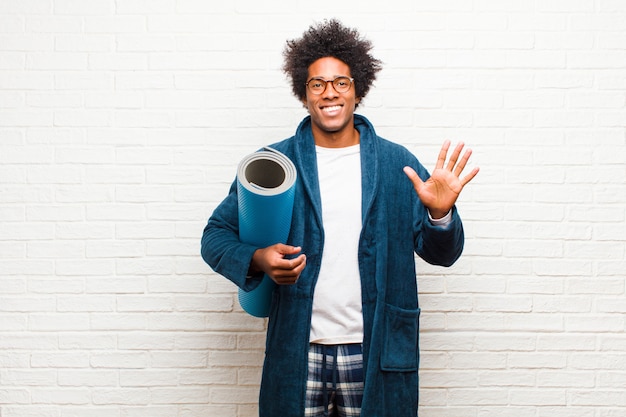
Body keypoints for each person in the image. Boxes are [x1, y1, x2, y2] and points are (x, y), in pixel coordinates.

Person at [201, 19, 479, 417]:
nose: (329, 93)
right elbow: (215, 236)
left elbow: (443, 254)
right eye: (317, 84)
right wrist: (259, 259)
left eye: (341, 82)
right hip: (299, 349)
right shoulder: (275, 163)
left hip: (375, 349)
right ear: (304, 93)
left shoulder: (397, 164)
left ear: (357, 90)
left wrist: (440, 212)